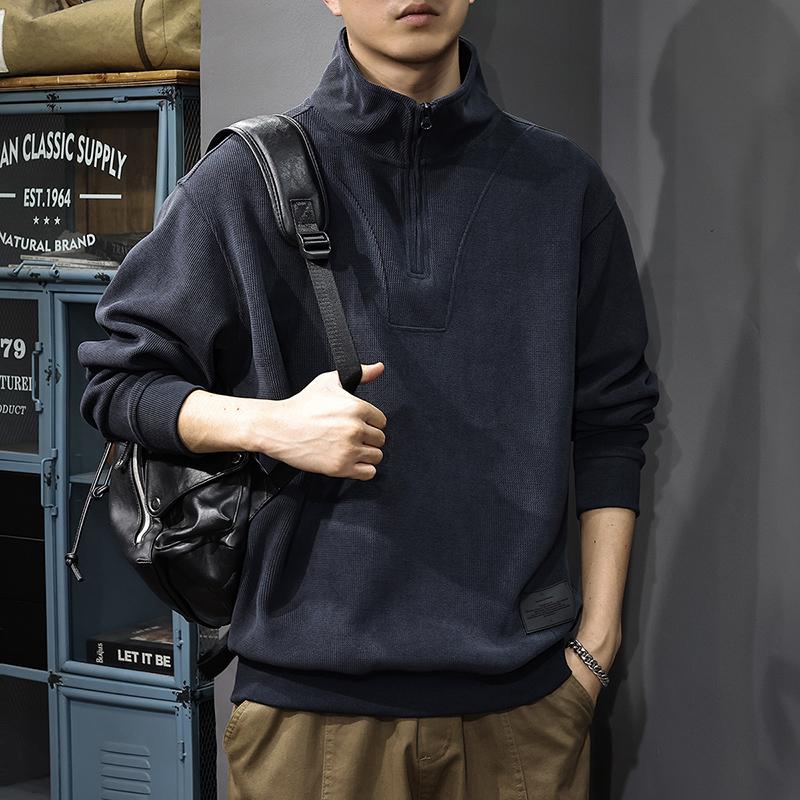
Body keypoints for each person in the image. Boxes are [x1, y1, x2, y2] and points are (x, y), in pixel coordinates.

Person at [77, 1, 660, 797]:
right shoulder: (244, 181)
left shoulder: (564, 188)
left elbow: (612, 420)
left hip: (525, 714)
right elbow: (118, 383)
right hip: (310, 719)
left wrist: (597, 646)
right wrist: (272, 425)